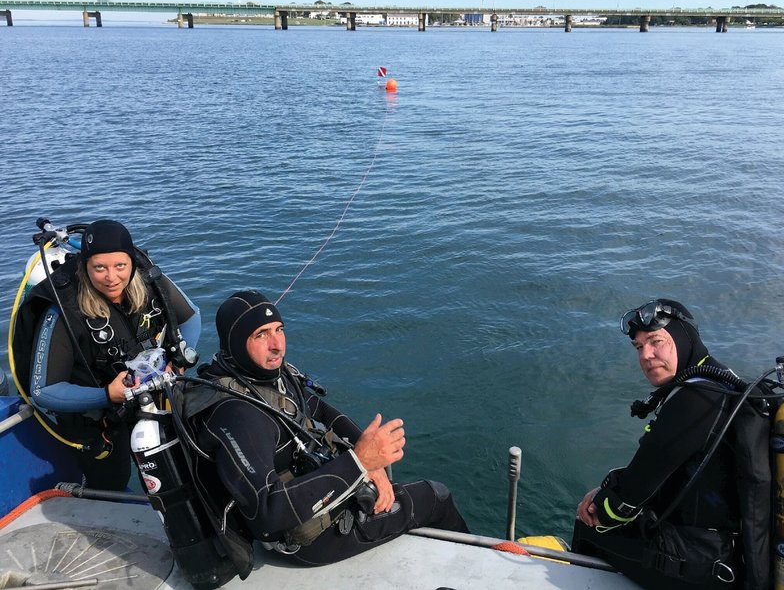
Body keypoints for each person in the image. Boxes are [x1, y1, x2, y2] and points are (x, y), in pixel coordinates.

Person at [177, 289, 468, 569]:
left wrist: (368, 459)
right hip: (311, 538)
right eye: (261, 335)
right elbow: (265, 513)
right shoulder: (236, 413)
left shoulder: (263, 377)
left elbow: (319, 409)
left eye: (279, 329)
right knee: (435, 497)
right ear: (236, 343)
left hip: (320, 493)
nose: (277, 344)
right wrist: (359, 463)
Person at [571, 298, 760, 589]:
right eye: (639, 347)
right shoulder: (720, 383)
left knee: (588, 526)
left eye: (656, 341)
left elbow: (629, 499)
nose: (646, 355)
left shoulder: (696, 398)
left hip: (702, 565)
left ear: (685, 338)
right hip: (727, 553)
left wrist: (598, 506)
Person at [14, 219, 201, 491]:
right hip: (97, 418)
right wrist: (105, 395)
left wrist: (179, 360)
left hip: (149, 398)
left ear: (132, 264)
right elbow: (43, 390)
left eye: (120, 266)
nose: (111, 277)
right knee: (111, 483)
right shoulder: (64, 310)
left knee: (176, 473)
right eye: (99, 267)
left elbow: (191, 317)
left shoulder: (149, 281)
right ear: (84, 266)